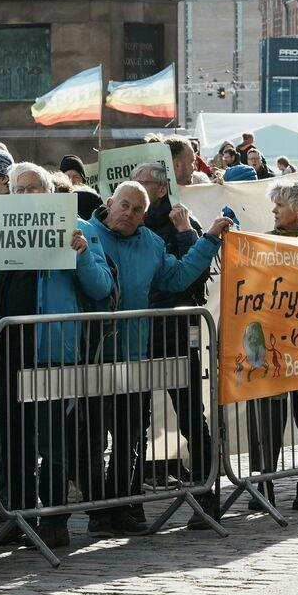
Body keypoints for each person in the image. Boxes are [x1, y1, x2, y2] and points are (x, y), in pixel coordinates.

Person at [0, 162, 115, 548]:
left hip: (52, 352)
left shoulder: (78, 229)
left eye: (32, 188)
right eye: (18, 190)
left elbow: (101, 288)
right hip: (6, 349)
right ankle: (17, 518)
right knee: (11, 438)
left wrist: (83, 253)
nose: (25, 196)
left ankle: (55, 520)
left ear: (49, 191)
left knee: (53, 440)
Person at [88, 181, 231, 533]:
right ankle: (98, 510)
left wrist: (209, 238)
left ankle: (119, 509)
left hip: (136, 352)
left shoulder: (151, 243)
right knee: (89, 438)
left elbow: (179, 276)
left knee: (129, 436)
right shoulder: (85, 234)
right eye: (125, 205)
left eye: (138, 209)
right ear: (110, 202)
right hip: (90, 355)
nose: (130, 213)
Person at [130, 161, 218, 507]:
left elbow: (192, 274)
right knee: (134, 419)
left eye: (142, 182)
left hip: (174, 332)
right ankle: (130, 500)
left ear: (161, 188)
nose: (135, 187)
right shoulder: (129, 226)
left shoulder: (180, 220)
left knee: (189, 413)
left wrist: (185, 232)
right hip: (137, 334)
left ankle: (205, 493)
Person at [246, 180, 298, 510]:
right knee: (269, 414)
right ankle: (265, 481)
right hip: (275, 343)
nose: (273, 211)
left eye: (279, 205)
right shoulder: (266, 243)